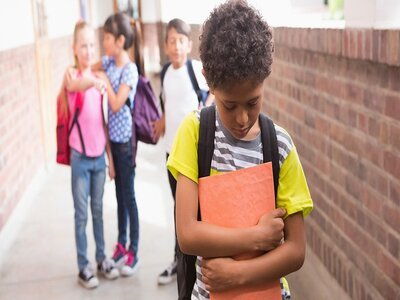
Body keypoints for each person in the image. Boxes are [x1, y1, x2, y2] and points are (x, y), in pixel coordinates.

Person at [166, 1, 314, 299]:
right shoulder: (195, 134)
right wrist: (256, 237)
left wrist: (238, 275)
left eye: (253, 102)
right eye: (229, 105)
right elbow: (187, 234)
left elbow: (296, 250)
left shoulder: (279, 146)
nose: (243, 118)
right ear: (207, 79)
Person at [151, 18, 212, 286]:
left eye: (181, 41)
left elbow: (212, 93)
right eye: (172, 41)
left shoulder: (194, 69)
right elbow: (167, 102)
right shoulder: (165, 73)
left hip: (193, 156)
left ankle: (198, 259)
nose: (176, 46)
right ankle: (180, 261)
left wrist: (203, 111)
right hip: (170, 153)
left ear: (189, 44)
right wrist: (162, 121)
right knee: (179, 209)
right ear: (165, 46)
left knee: (194, 210)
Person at [62, 20, 119, 289]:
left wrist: (109, 158)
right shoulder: (72, 76)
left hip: (98, 158)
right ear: (75, 48)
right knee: (81, 214)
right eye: (82, 45)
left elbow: (103, 123)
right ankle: (83, 266)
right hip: (80, 158)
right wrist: (93, 81)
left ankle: (101, 259)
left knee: (98, 211)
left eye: (91, 45)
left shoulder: (99, 82)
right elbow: (76, 86)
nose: (88, 50)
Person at [93, 12, 141, 276]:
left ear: (120, 40)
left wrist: (104, 82)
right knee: (119, 196)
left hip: (126, 144)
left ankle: (134, 250)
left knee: (129, 196)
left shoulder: (129, 69)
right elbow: (89, 66)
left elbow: (115, 103)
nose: (104, 42)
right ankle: (121, 244)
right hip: (112, 142)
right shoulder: (108, 62)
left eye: (107, 38)